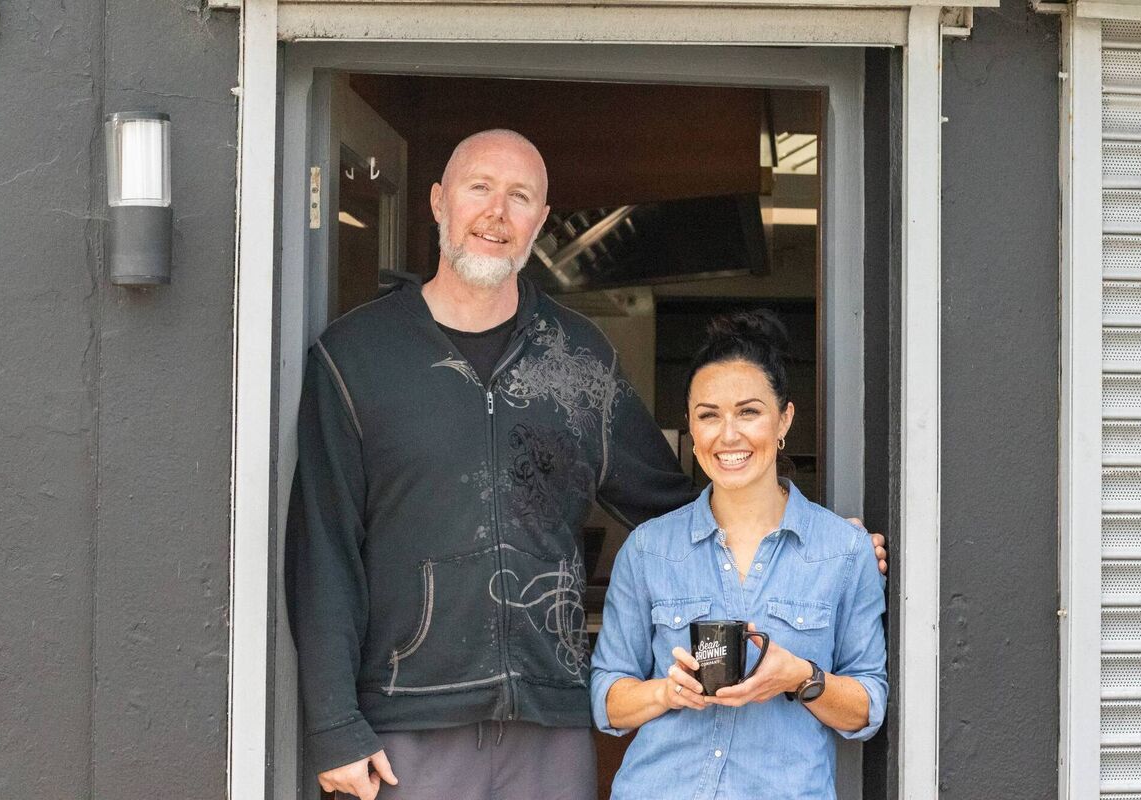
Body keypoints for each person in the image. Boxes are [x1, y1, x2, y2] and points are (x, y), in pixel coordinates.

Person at [288, 129, 888, 800]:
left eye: (520, 197)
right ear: (437, 202)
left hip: (553, 722)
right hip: (408, 723)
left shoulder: (578, 358)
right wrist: (335, 727)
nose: (496, 213)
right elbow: (323, 553)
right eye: (478, 188)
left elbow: (678, 505)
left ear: (540, 221)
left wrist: (824, 544)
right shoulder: (354, 357)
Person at [590, 311, 888, 800]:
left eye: (748, 412)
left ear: (784, 418)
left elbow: (868, 706)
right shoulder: (648, 549)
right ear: (690, 425)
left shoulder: (844, 551)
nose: (728, 436)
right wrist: (665, 692)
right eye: (709, 415)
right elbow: (607, 698)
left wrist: (800, 676)